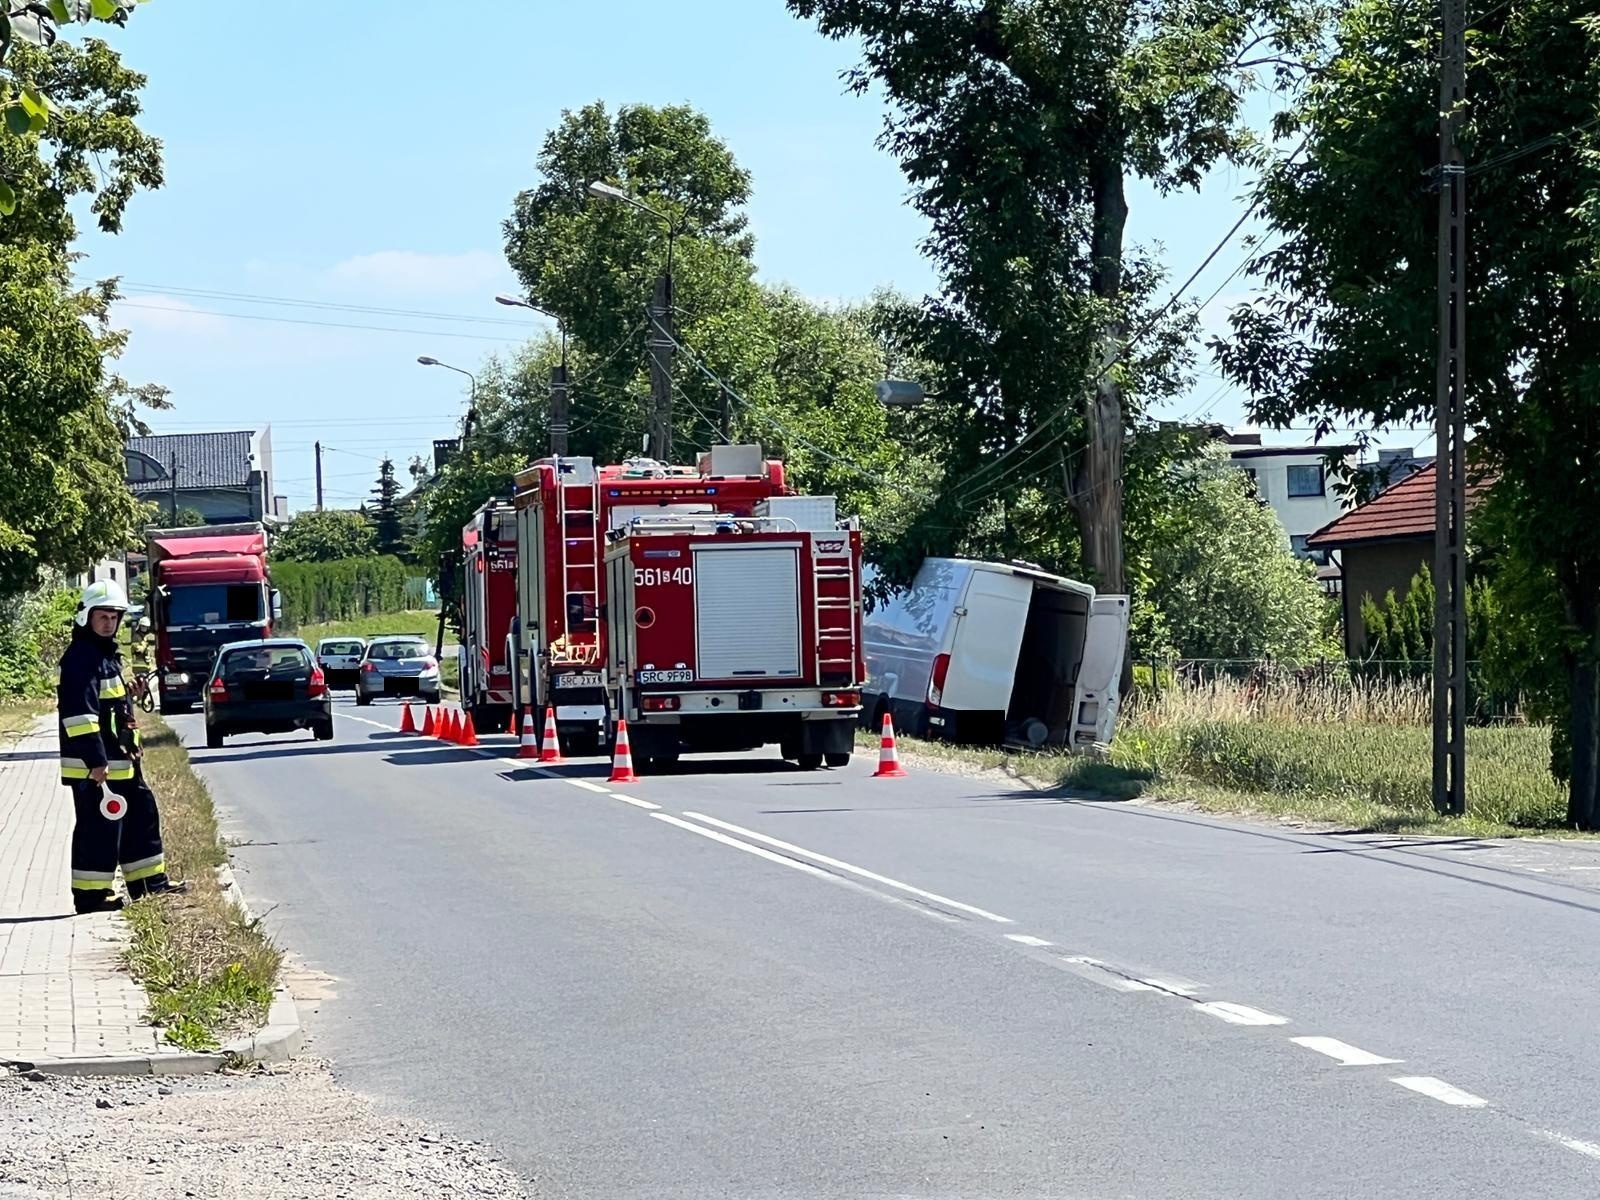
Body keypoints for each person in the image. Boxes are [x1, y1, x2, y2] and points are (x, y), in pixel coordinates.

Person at [57, 579, 187, 914]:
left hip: (121, 759)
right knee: (98, 829)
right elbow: (80, 716)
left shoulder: (103, 655)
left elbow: (107, 705)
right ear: (86, 617)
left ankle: (149, 886)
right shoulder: (81, 658)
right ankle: (91, 897)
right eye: (103, 616)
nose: (109, 623)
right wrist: (95, 762)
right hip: (97, 766)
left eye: (114, 617)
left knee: (140, 814)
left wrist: (132, 692)